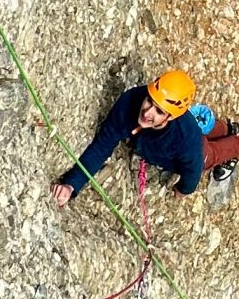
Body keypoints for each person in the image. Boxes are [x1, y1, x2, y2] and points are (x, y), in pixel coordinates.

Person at [52, 67, 230, 205]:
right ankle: (228, 128)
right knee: (209, 129)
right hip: (189, 130)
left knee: (211, 154)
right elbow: (101, 146)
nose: (147, 112)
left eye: (158, 111)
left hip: (196, 144)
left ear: (170, 117)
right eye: (149, 101)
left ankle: (235, 142)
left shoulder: (185, 139)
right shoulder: (130, 102)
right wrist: (72, 184)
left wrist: (183, 190)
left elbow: (193, 171)